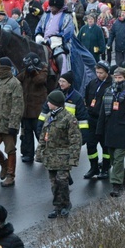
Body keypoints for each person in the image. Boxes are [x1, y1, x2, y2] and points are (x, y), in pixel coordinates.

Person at [36, 90, 82, 218]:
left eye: (50, 101)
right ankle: (57, 206)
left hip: (63, 156)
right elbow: (43, 136)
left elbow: (75, 140)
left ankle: (66, 204)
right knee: (54, 183)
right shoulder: (49, 116)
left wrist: (73, 158)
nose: (48, 103)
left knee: (62, 181)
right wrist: (39, 153)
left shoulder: (68, 118)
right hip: (50, 156)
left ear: (55, 103)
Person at [96, 68, 125, 197]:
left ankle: (116, 185)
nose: (118, 80)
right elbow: (103, 112)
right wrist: (100, 129)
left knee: (119, 159)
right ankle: (123, 180)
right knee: (114, 159)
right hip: (110, 130)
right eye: (116, 77)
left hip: (123, 131)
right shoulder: (109, 91)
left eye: (120, 78)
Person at [0, 58, 25, 188]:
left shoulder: (15, 83)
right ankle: (4, 164)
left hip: (8, 124)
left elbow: (17, 106)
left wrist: (14, 125)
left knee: (10, 149)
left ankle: (10, 175)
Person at [17, 52, 48, 164]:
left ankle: (45, 153)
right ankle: (28, 154)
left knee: (40, 133)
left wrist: (33, 71)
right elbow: (17, 79)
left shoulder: (43, 69)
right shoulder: (26, 73)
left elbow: (40, 80)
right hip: (26, 111)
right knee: (27, 135)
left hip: (37, 111)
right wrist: (26, 70)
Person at [34, 0, 75, 74]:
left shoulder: (67, 16)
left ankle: (63, 78)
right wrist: (38, 36)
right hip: (43, 42)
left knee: (61, 58)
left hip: (59, 44)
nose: (52, 8)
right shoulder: (46, 15)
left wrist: (54, 39)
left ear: (59, 7)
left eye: (54, 7)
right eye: (51, 6)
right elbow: (39, 28)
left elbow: (68, 32)